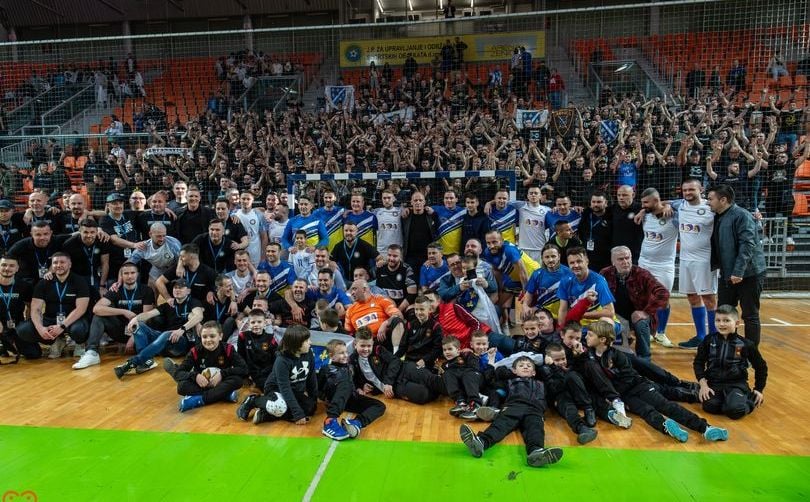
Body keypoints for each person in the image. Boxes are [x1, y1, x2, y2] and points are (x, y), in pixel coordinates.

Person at [585, 320, 729, 443]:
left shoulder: (618, 355)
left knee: (665, 405)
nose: (586, 337)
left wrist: (615, 395)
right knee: (646, 412)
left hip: (638, 386)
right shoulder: (589, 357)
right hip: (625, 396)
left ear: (602, 339)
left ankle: (705, 428)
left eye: (590, 335)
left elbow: (629, 377)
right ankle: (666, 427)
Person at [459, 356, 564, 468]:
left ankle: (536, 452)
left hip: (535, 410)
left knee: (535, 429)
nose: (525, 367)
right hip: (513, 407)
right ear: (514, 370)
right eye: (521, 365)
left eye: (529, 366)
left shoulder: (542, 384)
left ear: (534, 372)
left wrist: (552, 367)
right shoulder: (509, 382)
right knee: (500, 425)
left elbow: (558, 386)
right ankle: (481, 442)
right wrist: (491, 364)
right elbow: (491, 381)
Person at [707, 185, 766, 346]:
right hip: (728, 273)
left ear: (723, 200)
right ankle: (727, 349)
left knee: (750, 315)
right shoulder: (719, 215)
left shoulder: (742, 215)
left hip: (749, 273)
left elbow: (748, 245)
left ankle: (750, 353)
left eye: (711, 199)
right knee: (725, 312)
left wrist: (738, 271)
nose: (708, 202)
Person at [114, 278, 205, 378]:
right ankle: (147, 361)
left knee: (166, 334)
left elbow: (199, 316)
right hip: (164, 340)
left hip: (181, 343)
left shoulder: (193, 302)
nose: (177, 290)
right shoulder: (168, 305)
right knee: (139, 325)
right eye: (175, 287)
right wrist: (135, 319)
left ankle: (132, 363)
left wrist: (181, 330)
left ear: (188, 291)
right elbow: (148, 314)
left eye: (181, 288)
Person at [693, 304, 768, 420]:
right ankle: (729, 401)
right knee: (709, 406)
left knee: (734, 410)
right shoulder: (709, 340)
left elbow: (761, 367)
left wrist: (759, 389)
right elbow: (698, 363)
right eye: (718, 320)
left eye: (726, 320)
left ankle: (749, 399)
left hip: (737, 385)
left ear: (737, 323)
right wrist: (703, 385)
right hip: (715, 384)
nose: (721, 324)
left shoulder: (746, 344)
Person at [76, 262, 155, 370]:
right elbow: (96, 309)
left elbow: (146, 317)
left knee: (150, 321)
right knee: (99, 316)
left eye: (132, 273)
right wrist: (123, 311)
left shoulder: (146, 290)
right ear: (121, 276)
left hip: (139, 333)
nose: (130, 276)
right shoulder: (116, 290)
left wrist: (133, 338)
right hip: (120, 330)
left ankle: (145, 357)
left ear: (137, 274)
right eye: (126, 273)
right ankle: (92, 353)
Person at [237, 325, 318, 425]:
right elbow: (285, 388)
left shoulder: (309, 353)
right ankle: (254, 400)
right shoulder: (282, 360)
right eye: (306, 340)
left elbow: (312, 378)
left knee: (310, 408)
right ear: (296, 344)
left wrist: (313, 400)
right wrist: (297, 414)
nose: (310, 342)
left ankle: (267, 415)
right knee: (280, 406)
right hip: (276, 389)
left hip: (295, 391)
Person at [599, 246, 670, 360]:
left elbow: (663, 293)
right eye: (620, 259)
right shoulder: (605, 274)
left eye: (627, 258)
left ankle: (645, 358)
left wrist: (646, 312)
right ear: (613, 262)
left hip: (637, 317)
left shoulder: (642, 274)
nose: (625, 262)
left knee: (641, 323)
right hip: (615, 317)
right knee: (620, 352)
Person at [17, 252, 91, 359]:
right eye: (55, 263)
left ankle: (79, 343)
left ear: (70, 264)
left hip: (73, 320)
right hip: (51, 319)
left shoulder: (80, 281)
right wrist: (40, 328)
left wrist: (62, 326)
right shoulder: (44, 282)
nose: (58, 265)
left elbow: (81, 309)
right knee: (24, 329)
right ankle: (55, 341)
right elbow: (35, 309)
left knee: (78, 330)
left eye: (62, 262)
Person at [673, 179, 719, 349]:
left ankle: (715, 338)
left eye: (691, 189)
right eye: (685, 190)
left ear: (701, 189)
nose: (687, 193)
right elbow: (661, 202)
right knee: (692, 297)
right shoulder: (680, 205)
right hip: (685, 259)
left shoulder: (710, 207)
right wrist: (643, 210)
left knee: (709, 299)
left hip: (704, 260)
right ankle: (700, 336)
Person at [173, 321, 248, 412]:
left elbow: (244, 369)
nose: (208, 340)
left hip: (221, 382)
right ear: (200, 337)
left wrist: (222, 374)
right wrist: (195, 376)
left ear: (220, 336)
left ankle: (199, 399)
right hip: (202, 385)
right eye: (204, 337)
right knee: (181, 386)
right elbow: (178, 373)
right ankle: (224, 394)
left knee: (237, 380)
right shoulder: (195, 351)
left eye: (212, 336)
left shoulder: (228, 349)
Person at [318, 339, 386, 440]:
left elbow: (355, 380)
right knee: (345, 381)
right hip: (335, 400)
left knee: (379, 406)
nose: (345, 355)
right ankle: (330, 421)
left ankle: (356, 423)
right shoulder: (326, 369)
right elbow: (319, 388)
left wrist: (360, 387)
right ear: (331, 356)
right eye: (341, 353)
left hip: (350, 398)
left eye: (346, 352)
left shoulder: (350, 366)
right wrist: (324, 398)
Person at [637, 188, 678, 348]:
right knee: (644, 298)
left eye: (646, 202)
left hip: (664, 265)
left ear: (656, 201)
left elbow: (685, 203)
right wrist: (643, 210)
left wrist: (668, 205)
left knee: (663, 299)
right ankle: (649, 331)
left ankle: (661, 333)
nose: (643, 205)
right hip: (644, 262)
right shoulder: (645, 215)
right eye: (642, 203)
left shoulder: (673, 215)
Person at [540, 343, 598, 444]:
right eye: (557, 360)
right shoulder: (545, 369)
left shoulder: (569, 366)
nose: (561, 362)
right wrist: (553, 367)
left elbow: (582, 372)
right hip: (560, 396)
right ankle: (582, 429)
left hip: (579, 396)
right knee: (568, 406)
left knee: (572, 376)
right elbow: (555, 388)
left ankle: (589, 410)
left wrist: (580, 354)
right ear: (548, 359)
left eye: (563, 358)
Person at [7, 221, 70, 286]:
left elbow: (75, 235)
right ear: (31, 234)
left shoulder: (57, 240)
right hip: (28, 281)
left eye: (46, 234)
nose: (42, 237)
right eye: (38, 235)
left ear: (51, 233)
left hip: (51, 279)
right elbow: (7, 259)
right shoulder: (21, 245)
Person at [522, 243, 574, 321]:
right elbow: (529, 294)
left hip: (564, 312)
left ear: (559, 257)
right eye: (547, 257)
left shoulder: (569, 273)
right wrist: (525, 306)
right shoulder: (537, 274)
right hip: (543, 312)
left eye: (553, 256)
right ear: (542, 258)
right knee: (525, 314)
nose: (550, 260)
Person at [0, 255, 38, 359]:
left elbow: (30, 306)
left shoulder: (24, 286)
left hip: (15, 326)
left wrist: (28, 323)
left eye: (11, 266)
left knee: (34, 353)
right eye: (4, 265)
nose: (7, 268)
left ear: (17, 268)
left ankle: (6, 346)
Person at [441, 336, 483, 420]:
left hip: (475, 379)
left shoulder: (466, 355)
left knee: (468, 375)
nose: (447, 352)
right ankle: (461, 402)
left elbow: (475, 368)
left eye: (450, 349)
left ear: (458, 350)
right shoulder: (445, 365)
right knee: (447, 374)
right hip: (463, 384)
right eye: (444, 350)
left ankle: (476, 405)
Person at [401, 191, 437, 284]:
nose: (418, 202)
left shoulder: (431, 216)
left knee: (426, 284)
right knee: (411, 284)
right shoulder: (406, 216)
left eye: (420, 200)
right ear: (411, 202)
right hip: (410, 258)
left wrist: (432, 257)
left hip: (427, 257)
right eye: (415, 200)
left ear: (424, 202)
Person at [235, 308, 277, 388]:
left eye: (259, 322)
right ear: (249, 324)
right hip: (250, 372)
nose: (256, 325)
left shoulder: (270, 338)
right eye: (253, 322)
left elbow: (276, 359)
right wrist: (247, 374)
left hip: (266, 372)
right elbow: (240, 357)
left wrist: (268, 372)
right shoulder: (243, 336)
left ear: (265, 323)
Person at [374, 244, 417, 312]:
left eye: (395, 256)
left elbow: (412, 294)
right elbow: (377, 291)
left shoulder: (407, 269)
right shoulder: (380, 268)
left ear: (400, 257)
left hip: (402, 306)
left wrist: (397, 311)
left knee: (412, 312)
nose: (391, 259)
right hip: (385, 305)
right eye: (389, 255)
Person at [577, 191, 612, 272]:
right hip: (587, 257)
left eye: (599, 202)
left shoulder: (611, 217)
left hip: (605, 259)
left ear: (606, 203)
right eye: (593, 202)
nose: (596, 204)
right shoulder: (585, 214)